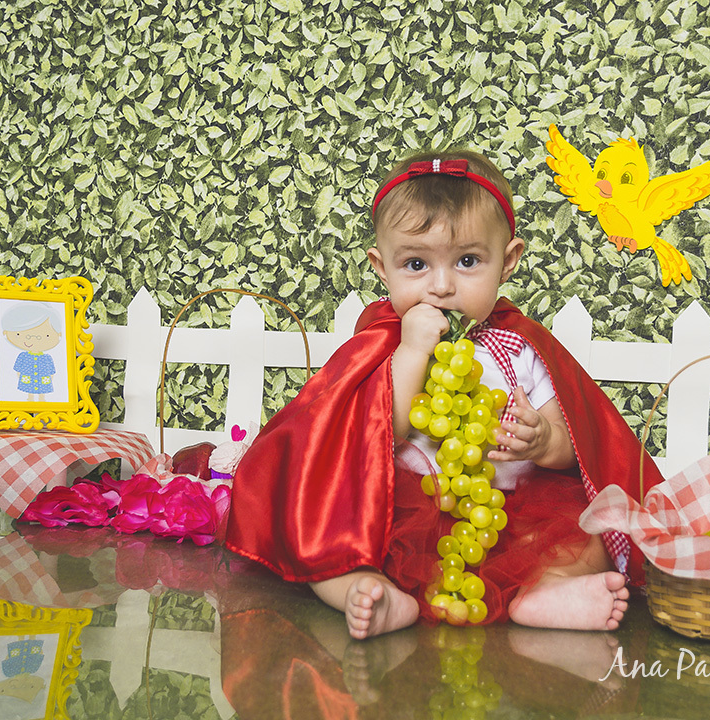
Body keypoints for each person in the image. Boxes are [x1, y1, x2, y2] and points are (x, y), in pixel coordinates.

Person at [226, 149, 663, 639]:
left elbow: (574, 446)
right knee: (327, 543)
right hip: (404, 514)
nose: (441, 286)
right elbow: (379, 431)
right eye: (416, 264)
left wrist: (543, 441)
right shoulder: (386, 344)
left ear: (508, 261)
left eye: (468, 261)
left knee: (593, 531)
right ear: (382, 267)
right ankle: (369, 589)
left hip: (508, 516)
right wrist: (414, 350)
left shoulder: (519, 348)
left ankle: (546, 589)